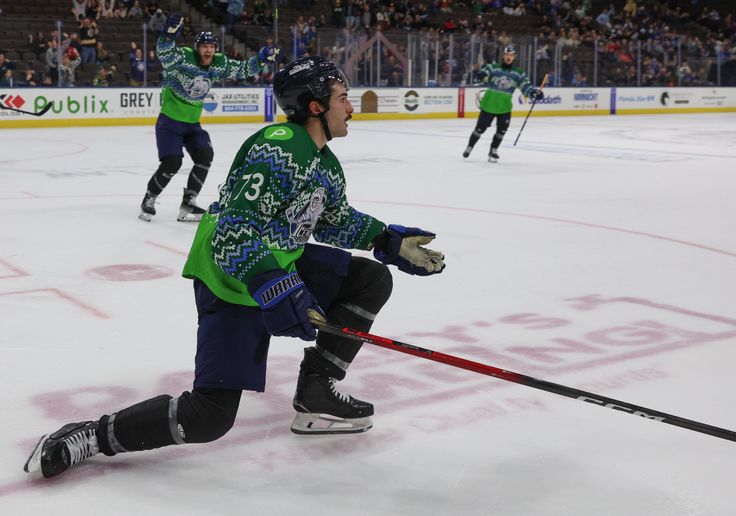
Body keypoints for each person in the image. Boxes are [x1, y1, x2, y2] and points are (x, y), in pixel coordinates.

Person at [23, 55, 446, 480]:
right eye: (342, 98)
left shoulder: (324, 163)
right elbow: (232, 235)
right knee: (208, 417)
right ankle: (92, 436)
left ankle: (317, 389)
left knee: (370, 279)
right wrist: (276, 286)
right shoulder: (279, 149)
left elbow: (332, 219)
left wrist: (384, 239)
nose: (351, 108)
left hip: (280, 264)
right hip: (229, 279)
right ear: (316, 105)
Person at [139, 12, 277, 222]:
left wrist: (261, 59)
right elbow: (165, 54)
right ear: (197, 48)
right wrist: (167, 36)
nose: (209, 50)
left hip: (193, 124)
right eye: (204, 46)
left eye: (212, 46)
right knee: (172, 162)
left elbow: (241, 69)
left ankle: (188, 203)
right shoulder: (183, 58)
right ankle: (149, 199)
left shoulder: (218, 64)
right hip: (169, 122)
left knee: (205, 155)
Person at [462, 46, 543, 163]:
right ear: (503, 56)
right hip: (489, 105)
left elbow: (526, 87)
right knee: (479, 129)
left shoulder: (519, 73)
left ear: (514, 57)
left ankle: (493, 150)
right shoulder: (493, 67)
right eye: (507, 55)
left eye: (511, 55)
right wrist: (480, 74)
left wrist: (534, 93)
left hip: (504, 107)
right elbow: (484, 74)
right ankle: (470, 147)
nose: (508, 57)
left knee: (502, 131)